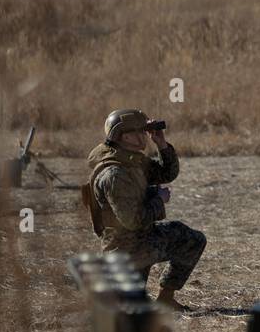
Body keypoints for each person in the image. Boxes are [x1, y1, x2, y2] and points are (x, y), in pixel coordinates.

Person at [81, 109, 206, 310]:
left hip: (140, 238)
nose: (144, 136)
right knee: (129, 310)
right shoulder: (115, 174)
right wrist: (159, 200)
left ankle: (165, 298)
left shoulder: (130, 160)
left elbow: (167, 173)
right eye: (139, 131)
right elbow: (132, 220)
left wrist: (162, 144)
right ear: (123, 135)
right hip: (124, 250)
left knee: (191, 238)